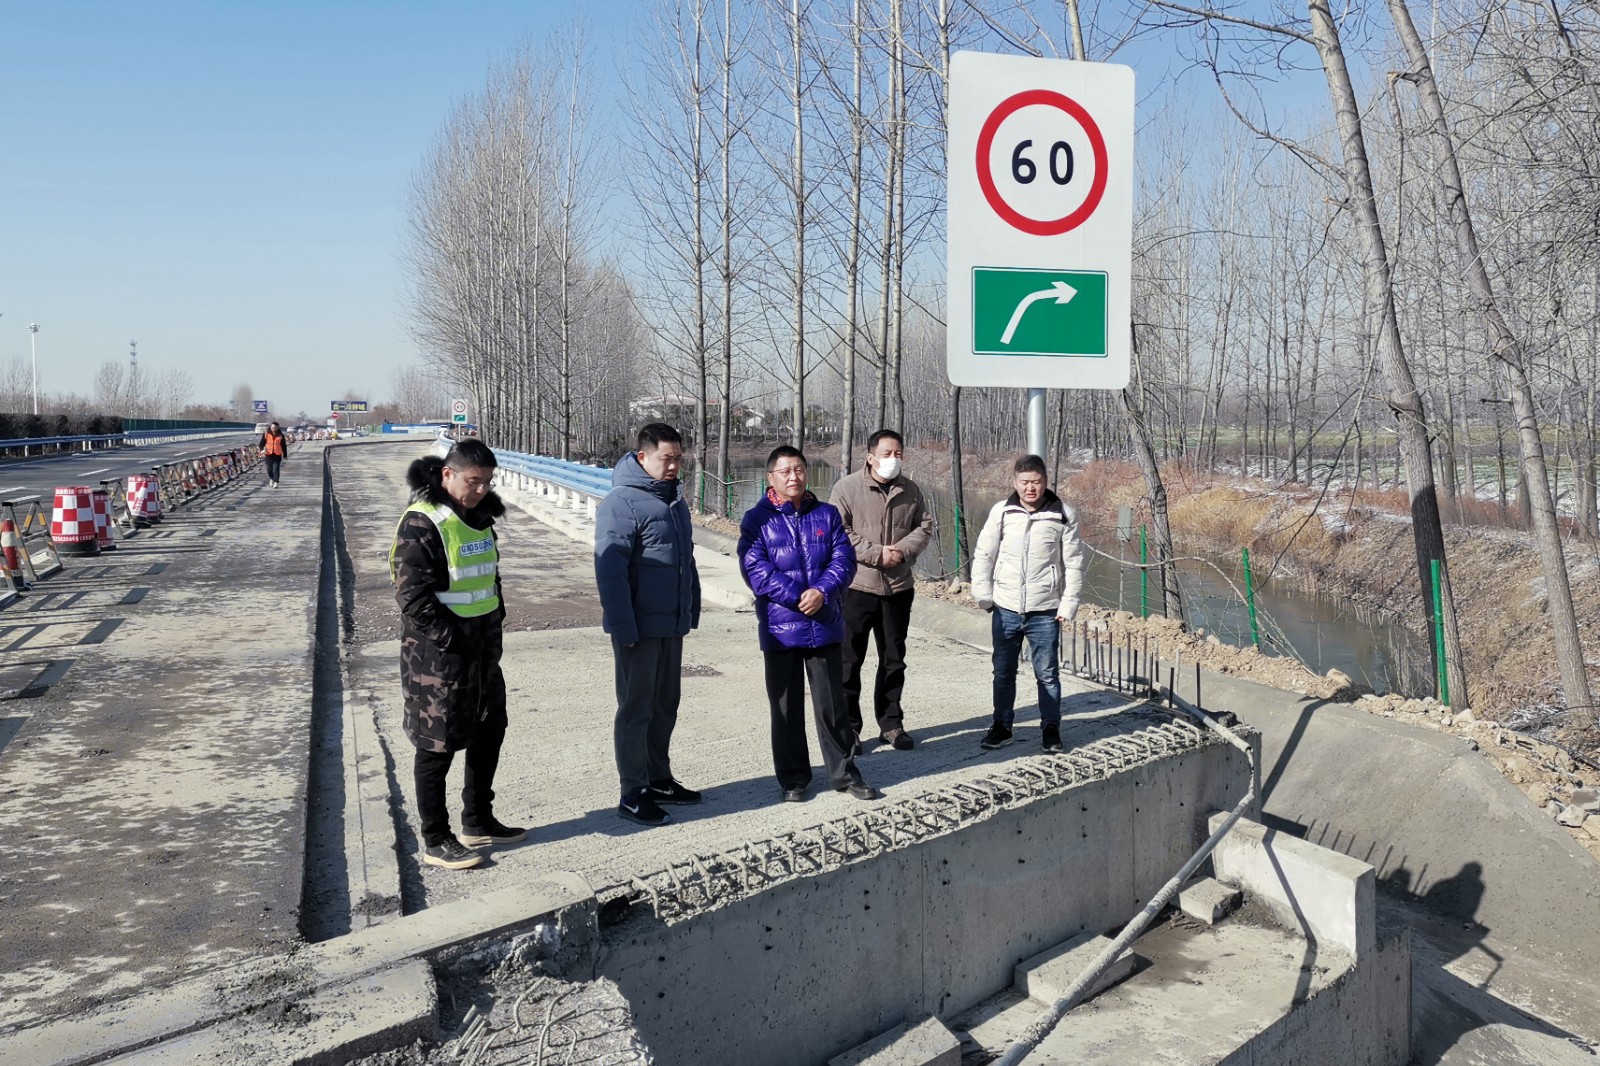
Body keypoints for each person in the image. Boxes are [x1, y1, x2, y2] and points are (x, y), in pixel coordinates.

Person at [390, 438, 522, 871]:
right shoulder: (423, 521)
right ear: (447, 474)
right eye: (473, 481)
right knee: (437, 746)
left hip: (483, 652)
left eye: (487, 483)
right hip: (438, 659)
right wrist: (452, 640)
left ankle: (478, 820)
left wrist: (493, 625)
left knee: (490, 731)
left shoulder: (479, 519)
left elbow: (488, 577)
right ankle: (435, 838)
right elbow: (413, 597)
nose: (481, 490)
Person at [738, 445, 881, 804]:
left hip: (824, 622)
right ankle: (793, 779)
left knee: (833, 705)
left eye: (799, 469)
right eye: (785, 471)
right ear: (770, 477)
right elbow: (754, 568)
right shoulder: (756, 519)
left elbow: (844, 560)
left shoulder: (827, 514)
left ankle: (844, 773)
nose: (794, 477)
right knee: (785, 708)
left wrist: (822, 591)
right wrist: (797, 596)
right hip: (781, 628)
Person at [595, 423, 703, 827]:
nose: (673, 466)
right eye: (666, 459)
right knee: (636, 709)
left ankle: (659, 779)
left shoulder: (674, 501)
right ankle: (633, 791)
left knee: (665, 706)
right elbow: (611, 572)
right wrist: (622, 627)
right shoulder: (621, 503)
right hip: (638, 628)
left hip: (670, 623)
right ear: (643, 457)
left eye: (678, 459)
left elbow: (686, 560)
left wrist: (689, 608)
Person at [970, 454, 1086, 753]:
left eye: (1036, 482)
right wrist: (983, 594)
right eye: (1024, 482)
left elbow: (1074, 563)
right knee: (1003, 672)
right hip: (1005, 607)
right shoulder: (1002, 511)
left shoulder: (1063, 514)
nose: (1030, 488)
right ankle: (1001, 726)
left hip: (1045, 610)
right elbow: (984, 554)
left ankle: (1050, 728)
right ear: (1015, 482)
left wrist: (1068, 604)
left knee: (1047, 674)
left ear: (1045, 481)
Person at [829, 429, 934, 752]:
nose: (893, 459)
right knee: (849, 661)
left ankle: (891, 724)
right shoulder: (846, 488)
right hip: (857, 586)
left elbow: (924, 526)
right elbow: (839, 531)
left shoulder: (910, 490)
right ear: (871, 457)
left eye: (898, 453)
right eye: (887, 453)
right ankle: (849, 727)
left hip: (898, 587)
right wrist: (877, 554)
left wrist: (900, 552)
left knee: (893, 660)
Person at [259, 421, 289, 487]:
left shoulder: (281, 435)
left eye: (275, 428)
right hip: (268, 455)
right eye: (273, 428)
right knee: (269, 469)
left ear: (278, 428)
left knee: (276, 469)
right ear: (270, 427)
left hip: (277, 455)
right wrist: (262, 450)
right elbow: (261, 444)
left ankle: (276, 482)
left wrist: (285, 455)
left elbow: (283, 446)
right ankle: (271, 478)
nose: (274, 429)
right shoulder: (266, 434)